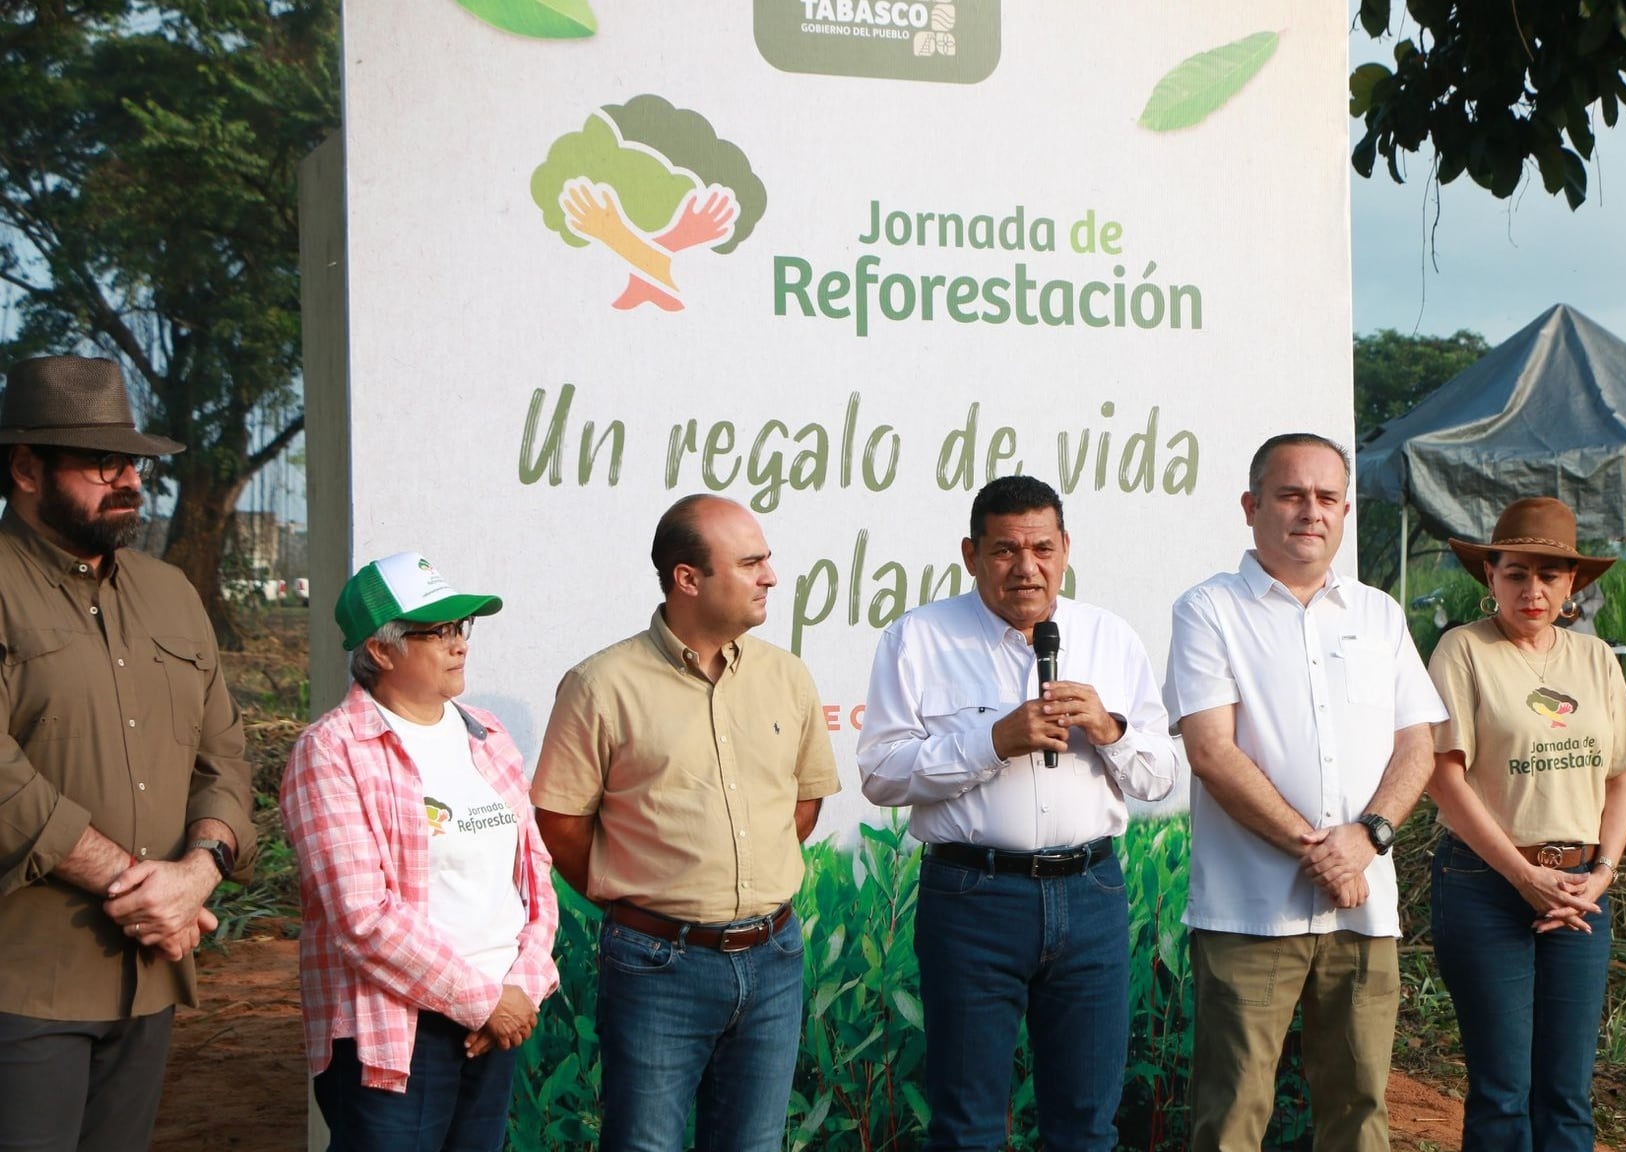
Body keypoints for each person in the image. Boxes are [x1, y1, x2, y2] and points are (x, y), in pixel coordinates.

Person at [858, 475, 1176, 1152]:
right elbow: (881, 775)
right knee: (968, 1124)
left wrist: (1110, 728)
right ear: (971, 555)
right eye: (1004, 551)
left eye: (1041, 548)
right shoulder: (918, 638)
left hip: (1091, 894)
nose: (1025, 568)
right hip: (973, 898)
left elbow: (1161, 775)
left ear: (1065, 549)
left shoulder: (1110, 637)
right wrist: (991, 741)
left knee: (1086, 1124)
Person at [0, 354, 255, 1151]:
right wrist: (132, 882)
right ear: (26, 468)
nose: (128, 481)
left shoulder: (169, 592)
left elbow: (227, 760)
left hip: (149, 977)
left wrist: (197, 873)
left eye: (134, 463)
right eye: (100, 462)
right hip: (24, 983)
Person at [531, 494, 840, 1152]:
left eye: (767, 560)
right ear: (688, 578)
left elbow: (803, 803)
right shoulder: (600, 685)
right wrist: (648, 899)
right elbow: (560, 823)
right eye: (751, 562)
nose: (770, 577)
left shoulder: (786, 676)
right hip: (656, 966)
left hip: (775, 959)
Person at [1164, 434, 1444, 1152]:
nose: (1309, 512)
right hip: (1249, 913)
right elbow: (1211, 751)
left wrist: (1367, 837)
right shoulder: (1208, 609)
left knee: (1358, 1113)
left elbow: (1419, 742)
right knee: (1231, 1117)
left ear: (1346, 511)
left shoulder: (1378, 614)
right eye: (1291, 495)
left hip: (1362, 912)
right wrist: (1318, 849)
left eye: (1326, 498)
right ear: (1252, 506)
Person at [281, 553, 560, 1151]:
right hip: (400, 1029)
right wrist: (482, 1001)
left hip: (499, 1017)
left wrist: (522, 987)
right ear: (380, 651)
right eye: (436, 631)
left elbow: (534, 871)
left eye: (461, 628)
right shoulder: (332, 752)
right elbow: (362, 917)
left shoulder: (485, 733)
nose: (458, 644)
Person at [1423, 495, 1626, 1152]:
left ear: (1572, 583)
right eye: (1516, 572)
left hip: (1578, 890)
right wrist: (1522, 875)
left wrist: (1601, 873)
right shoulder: (1463, 651)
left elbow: (1620, 778)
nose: (1532, 589)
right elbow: (1445, 777)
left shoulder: (1595, 658)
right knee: (1502, 1090)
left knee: (1569, 1090)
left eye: (1549, 576)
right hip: (1485, 883)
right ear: (1489, 575)